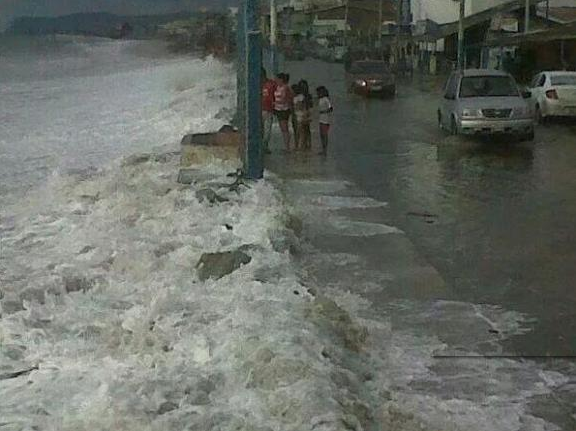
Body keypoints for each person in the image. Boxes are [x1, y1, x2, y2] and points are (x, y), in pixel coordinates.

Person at [273, 73, 293, 151]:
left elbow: (286, 98)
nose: (276, 81)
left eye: (277, 79)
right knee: (283, 128)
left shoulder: (286, 88)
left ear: (281, 80)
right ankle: (286, 145)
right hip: (277, 109)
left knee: (285, 128)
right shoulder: (277, 87)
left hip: (284, 110)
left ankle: (287, 147)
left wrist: (275, 103)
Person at [261, 68, 276, 154]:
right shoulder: (257, 84)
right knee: (261, 129)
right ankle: (262, 145)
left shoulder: (271, 84)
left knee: (267, 130)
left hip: (269, 110)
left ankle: (265, 145)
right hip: (259, 110)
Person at [295, 79, 312, 151]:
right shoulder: (302, 97)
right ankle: (303, 145)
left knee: (303, 130)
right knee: (303, 130)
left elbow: (308, 106)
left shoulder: (301, 97)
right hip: (302, 115)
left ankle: (303, 145)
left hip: (303, 115)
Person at [316, 86, 333, 156]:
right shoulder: (320, 99)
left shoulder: (326, 99)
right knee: (321, 135)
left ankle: (325, 150)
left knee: (324, 135)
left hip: (326, 119)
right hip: (321, 119)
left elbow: (331, 108)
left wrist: (323, 112)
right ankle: (323, 149)